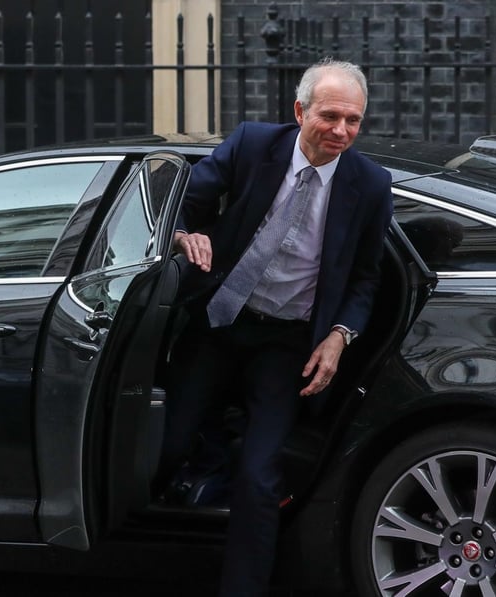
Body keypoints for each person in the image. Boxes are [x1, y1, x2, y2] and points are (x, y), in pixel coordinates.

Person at [156, 59, 393, 596]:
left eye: (354, 121)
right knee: (166, 443)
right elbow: (179, 204)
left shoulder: (370, 185)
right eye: (330, 116)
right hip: (218, 324)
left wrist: (339, 335)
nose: (342, 132)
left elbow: (364, 279)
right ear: (299, 111)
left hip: (286, 344)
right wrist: (182, 235)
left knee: (260, 478)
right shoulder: (251, 145)